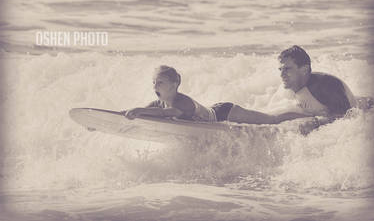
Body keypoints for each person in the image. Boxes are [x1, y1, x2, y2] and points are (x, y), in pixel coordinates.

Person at [216, 45, 369, 134]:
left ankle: (225, 112)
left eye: (287, 69)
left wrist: (317, 123)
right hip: (321, 110)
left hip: (365, 110)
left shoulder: (325, 86)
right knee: (274, 118)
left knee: (275, 119)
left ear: (304, 69)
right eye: (280, 69)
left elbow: (349, 118)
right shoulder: (297, 86)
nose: (282, 74)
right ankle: (223, 112)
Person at [123, 65, 232, 122]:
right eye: (154, 82)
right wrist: (126, 113)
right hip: (211, 112)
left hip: (222, 112)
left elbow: (164, 113)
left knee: (250, 120)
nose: (155, 86)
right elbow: (144, 112)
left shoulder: (183, 102)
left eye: (160, 83)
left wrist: (139, 110)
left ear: (174, 85)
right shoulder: (158, 104)